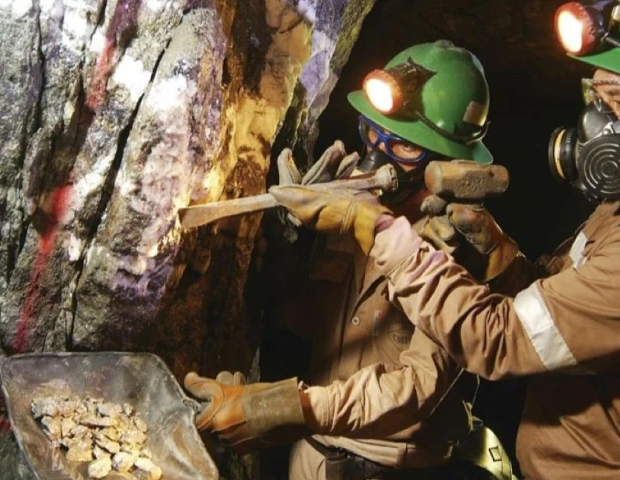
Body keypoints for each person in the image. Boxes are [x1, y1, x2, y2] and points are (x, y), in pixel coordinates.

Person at [267, 1, 620, 479]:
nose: (597, 123)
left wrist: (381, 231)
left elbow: (499, 340)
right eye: (596, 96)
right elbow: (560, 307)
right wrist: (501, 256)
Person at [184, 40, 516, 480]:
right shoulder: (352, 200)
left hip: (388, 467)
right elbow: (311, 319)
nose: (378, 154)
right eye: (373, 133)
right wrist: (285, 244)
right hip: (311, 453)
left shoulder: (463, 244)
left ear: (448, 160)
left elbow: (417, 389)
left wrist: (278, 408)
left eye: (406, 149)